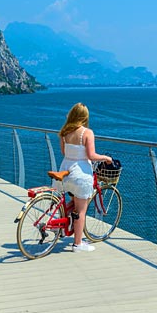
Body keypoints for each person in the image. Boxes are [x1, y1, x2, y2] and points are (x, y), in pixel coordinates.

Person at [58, 102, 113, 253]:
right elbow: (91, 155)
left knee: (72, 203)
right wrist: (105, 158)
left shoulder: (64, 132)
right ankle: (78, 244)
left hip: (65, 170)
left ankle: (65, 227)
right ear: (84, 117)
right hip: (80, 174)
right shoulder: (87, 133)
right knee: (81, 211)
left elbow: (64, 153)